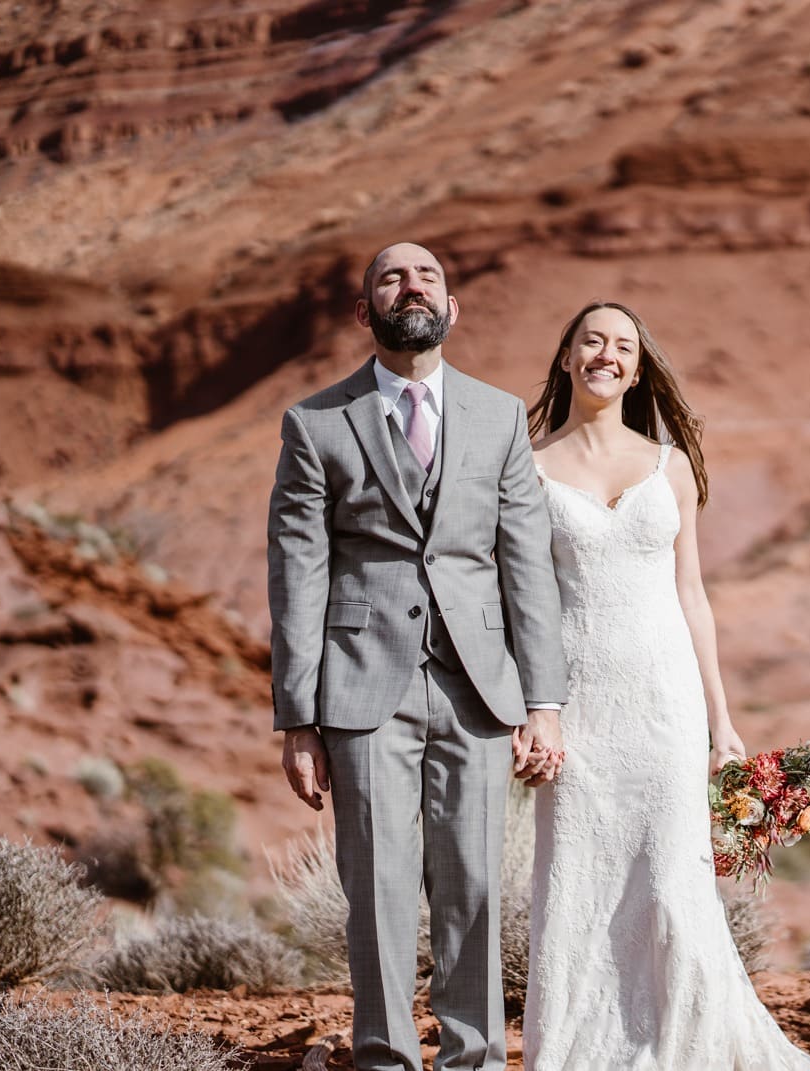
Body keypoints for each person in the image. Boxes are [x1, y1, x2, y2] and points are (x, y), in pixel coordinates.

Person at [267, 242, 567, 1071]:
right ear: (366, 311)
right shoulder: (315, 422)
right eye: (392, 278)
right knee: (377, 890)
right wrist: (297, 718)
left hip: (477, 685)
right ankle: (385, 1057)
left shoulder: (499, 415)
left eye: (427, 276)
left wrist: (541, 700)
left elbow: (524, 564)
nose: (411, 287)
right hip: (363, 689)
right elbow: (297, 572)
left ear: (451, 306)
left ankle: (471, 1059)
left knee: (471, 885)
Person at [522, 301, 810, 1069]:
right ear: (565, 357)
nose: (607, 354)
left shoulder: (671, 465)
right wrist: (534, 709)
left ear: (637, 366)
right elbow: (517, 598)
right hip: (578, 704)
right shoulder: (525, 465)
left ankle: (685, 1047)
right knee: (580, 881)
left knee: (670, 879)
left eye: (623, 345)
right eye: (592, 340)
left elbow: (691, 593)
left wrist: (721, 718)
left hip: (665, 702)